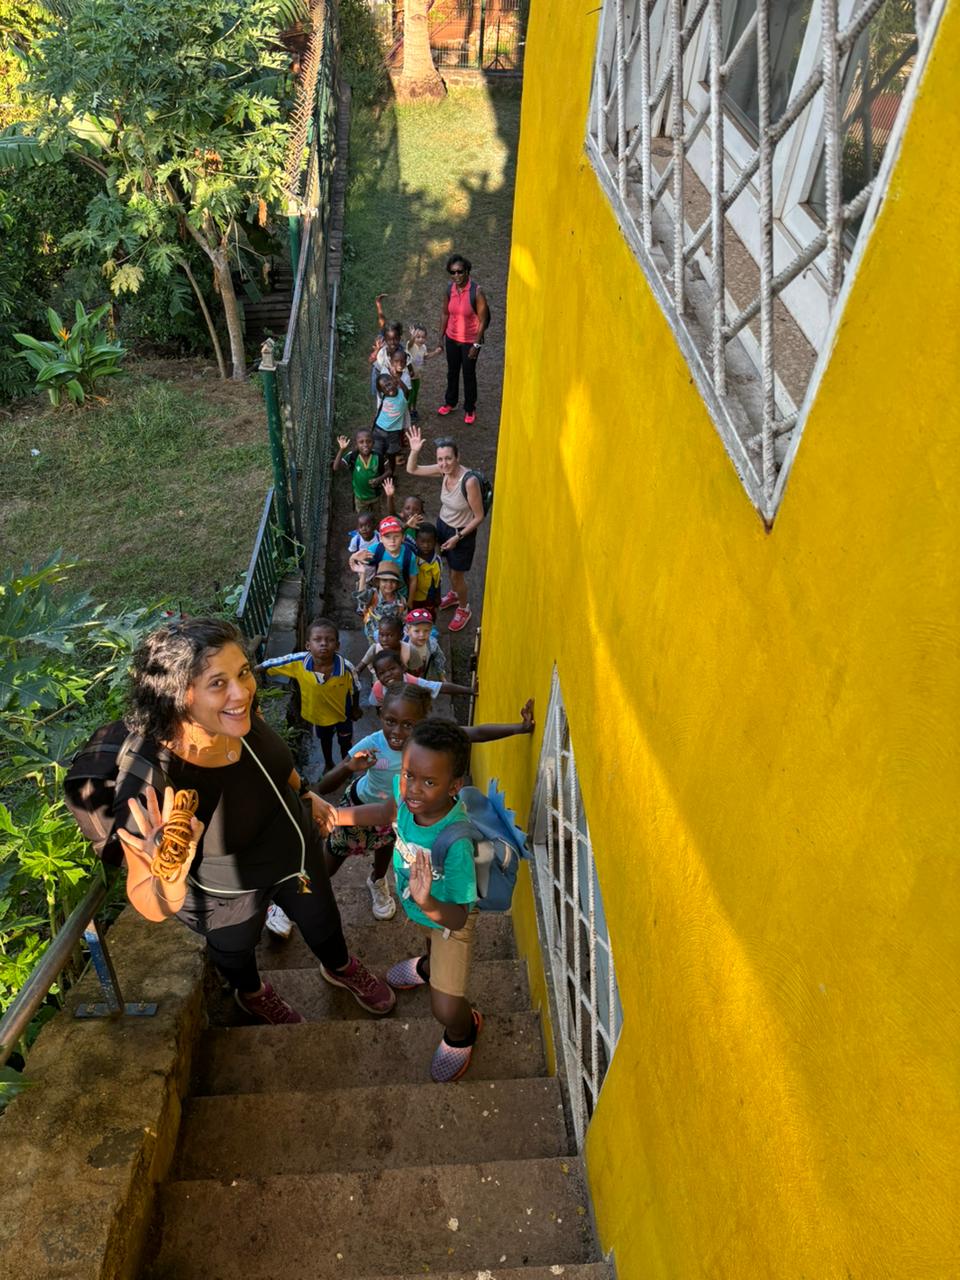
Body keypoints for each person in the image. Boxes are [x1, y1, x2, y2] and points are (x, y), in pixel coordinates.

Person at [111, 618, 395, 1025]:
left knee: (322, 920)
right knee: (236, 949)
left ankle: (340, 967)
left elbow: (273, 760)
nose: (242, 692)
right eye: (218, 683)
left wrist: (306, 793)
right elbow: (150, 902)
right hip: (227, 893)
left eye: (243, 673)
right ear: (177, 696)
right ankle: (253, 993)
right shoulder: (152, 781)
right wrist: (171, 869)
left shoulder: (236, 713)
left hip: (294, 855)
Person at [331, 719, 478, 1080]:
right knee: (428, 940)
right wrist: (336, 816)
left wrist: (428, 904)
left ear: (454, 786)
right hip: (423, 909)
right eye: (409, 775)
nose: (412, 789)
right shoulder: (408, 800)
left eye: (429, 782)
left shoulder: (456, 843)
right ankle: (428, 967)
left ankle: (463, 1031)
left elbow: (459, 918)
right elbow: (388, 812)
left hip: (447, 920)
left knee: (445, 1008)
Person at [321, 684, 534, 929]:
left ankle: (378, 881)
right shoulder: (375, 749)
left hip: (402, 817)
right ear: (380, 715)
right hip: (370, 809)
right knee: (335, 853)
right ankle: (309, 892)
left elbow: (476, 732)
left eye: (408, 725)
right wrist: (344, 778)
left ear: (421, 724)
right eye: (390, 721)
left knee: (387, 848)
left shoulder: (433, 746)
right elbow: (330, 788)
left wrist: (519, 728)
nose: (397, 732)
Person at [406, 427, 486, 633]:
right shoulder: (443, 471)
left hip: (462, 533)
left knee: (456, 576)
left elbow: (479, 517)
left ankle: (464, 608)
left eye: (448, 458)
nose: (444, 463)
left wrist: (458, 537)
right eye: (440, 459)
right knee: (447, 566)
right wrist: (414, 450)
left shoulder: (469, 481)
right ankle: (454, 594)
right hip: (443, 525)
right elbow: (412, 469)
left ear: (457, 457)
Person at [256, 618, 361, 775]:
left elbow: (356, 688)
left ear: (338, 645)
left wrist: (355, 708)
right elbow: (276, 662)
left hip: (343, 712)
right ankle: (329, 763)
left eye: (330, 640)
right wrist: (254, 668)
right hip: (320, 714)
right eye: (317, 640)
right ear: (308, 646)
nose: (323, 644)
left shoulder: (346, 668)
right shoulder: (299, 662)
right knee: (325, 740)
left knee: (345, 741)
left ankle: (346, 767)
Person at [437, 254, 489, 425]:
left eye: (460, 271)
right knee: (452, 372)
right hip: (452, 338)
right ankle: (450, 402)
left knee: (468, 374)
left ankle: (469, 408)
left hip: (470, 341)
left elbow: (483, 320)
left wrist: (476, 344)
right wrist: (441, 337)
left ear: (467, 271)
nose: (456, 275)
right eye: (453, 272)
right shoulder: (449, 290)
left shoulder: (477, 292)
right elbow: (445, 313)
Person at [367, 647, 473, 709]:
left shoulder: (413, 683)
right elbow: (377, 705)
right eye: (382, 673)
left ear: (403, 668)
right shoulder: (377, 689)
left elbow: (441, 687)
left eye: (392, 669)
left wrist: (470, 690)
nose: (388, 675)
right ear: (377, 676)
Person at [350, 514, 418, 602]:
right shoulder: (375, 549)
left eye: (396, 536)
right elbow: (357, 559)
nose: (392, 541)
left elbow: (413, 579)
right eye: (387, 537)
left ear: (403, 538)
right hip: (380, 593)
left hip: (401, 595)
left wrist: (410, 601)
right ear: (381, 538)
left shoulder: (409, 555)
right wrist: (354, 557)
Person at [333, 428, 385, 516]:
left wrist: (379, 479)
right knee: (363, 519)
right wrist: (341, 449)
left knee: (377, 516)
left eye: (368, 441)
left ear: (373, 443)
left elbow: (388, 471)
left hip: (375, 496)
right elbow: (335, 467)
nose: (365, 445)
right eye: (361, 442)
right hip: (360, 498)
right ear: (356, 444)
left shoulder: (378, 456)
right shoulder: (353, 456)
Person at [357, 560, 407, 642]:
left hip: (392, 638)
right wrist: (363, 575)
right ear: (378, 582)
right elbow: (362, 596)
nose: (389, 584)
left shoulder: (401, 600)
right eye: (385, 580)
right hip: (373, 635)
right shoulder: (373, 594)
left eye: (393, 581)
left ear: (397, 584)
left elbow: (403, 619)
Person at [372, 372, 410, 479]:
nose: (388, 388)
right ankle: (380, 476)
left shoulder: (402, 394)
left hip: (393, 433)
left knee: (391, 455)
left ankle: (391, 475)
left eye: (389, 384)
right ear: (382, 392)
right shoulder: (384, 397)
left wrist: (398, 379)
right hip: (379, 430)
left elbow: (407, 391)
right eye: (384, 388)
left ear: (394, 381)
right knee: (378, 455)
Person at [405, 323, 442, 423]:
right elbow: (410, 344)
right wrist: (412, 337)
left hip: (417, 376)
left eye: (423, 337)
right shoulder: (410, 345)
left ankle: (414, 410)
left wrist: (435, 352)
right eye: (418, 337)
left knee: (415, 394)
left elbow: (425, 356)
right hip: (409, 376)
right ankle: (407, 413)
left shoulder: (423, 347)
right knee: (410, 395)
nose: (420, 339)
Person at [404, 607, 446, 679]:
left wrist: (441, 675)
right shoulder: (403, 645)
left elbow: (439, 658)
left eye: (426, 630)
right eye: (417, 631)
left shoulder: (432, 644)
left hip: (425, 675)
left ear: (431, 630)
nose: (422, 635)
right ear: (408, 630)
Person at [346, 511, 380, 599]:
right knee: (363, 583)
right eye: (360, 526)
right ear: (357, 528)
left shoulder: (379, 538)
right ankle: (362, 598)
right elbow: (353, 553)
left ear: (374, 526)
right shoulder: (356, 540)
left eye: (367, 526)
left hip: (376, 565)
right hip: (363, 566)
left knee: (376, 584)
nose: (364, 529)